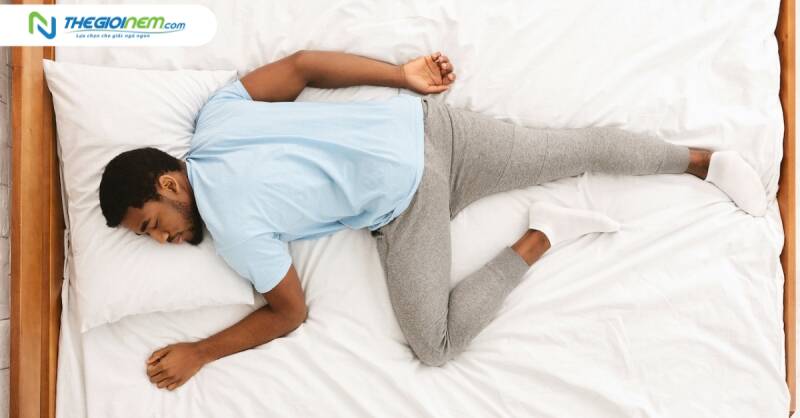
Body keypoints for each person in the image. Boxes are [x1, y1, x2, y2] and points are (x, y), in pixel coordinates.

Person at [98, 50, 767, 391]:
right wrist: (401, 76)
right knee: (573, 148)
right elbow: (301, 66)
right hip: (427, 128)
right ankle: (703, 163)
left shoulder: (233, 231)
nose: (163, 241)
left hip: (413, 194)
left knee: (436, 346)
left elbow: (289, 313)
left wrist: (200, 353)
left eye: (150, 224)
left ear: (169, 183)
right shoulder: (217, 115)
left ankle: (545, 235)